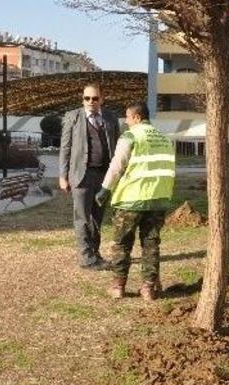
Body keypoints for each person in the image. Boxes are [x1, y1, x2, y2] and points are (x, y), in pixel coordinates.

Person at [94, 103, 175, 301]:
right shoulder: (165, 139)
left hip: (131, 199)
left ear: (137, 117)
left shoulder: (131, 136)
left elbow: (117, 164)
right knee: (151, 244)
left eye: (128, 118)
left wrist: (105, 189)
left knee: (122, 244)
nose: (126, 122)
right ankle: (148, 288)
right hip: (158, 199)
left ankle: (118, 287)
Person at [59, 83, 121, 270]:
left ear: (102, 99)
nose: (90, 102)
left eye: (95, 98)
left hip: (104, 176)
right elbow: (65, 147)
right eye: (87, 98)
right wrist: (63, 176)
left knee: (97, 218)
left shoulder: (110, 117)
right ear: (83, 99)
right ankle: (87, 257)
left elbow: (118, 146)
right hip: (81, 175)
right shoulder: (73, 117)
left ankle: (95, 252)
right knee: (82, 218)